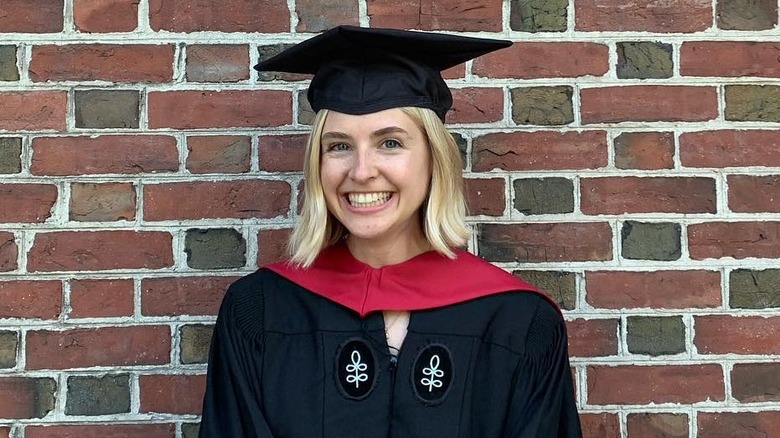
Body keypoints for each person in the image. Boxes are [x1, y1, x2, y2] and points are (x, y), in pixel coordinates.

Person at [199, 25, 582, 437]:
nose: (361, 172)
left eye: (390, 143)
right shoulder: (258, 312)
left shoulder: (518, 323)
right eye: (339, 146)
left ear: (434, 160)